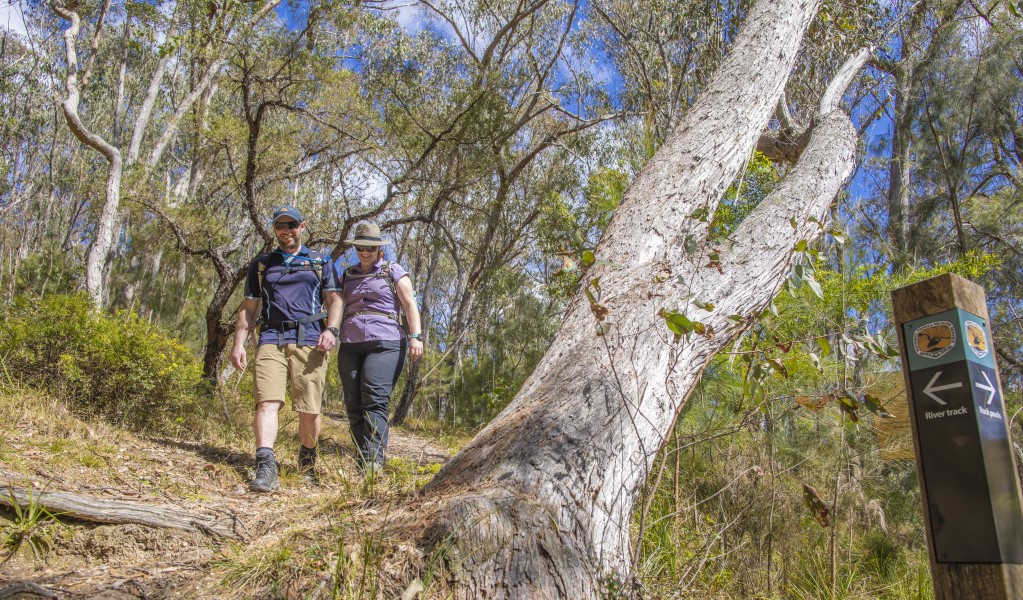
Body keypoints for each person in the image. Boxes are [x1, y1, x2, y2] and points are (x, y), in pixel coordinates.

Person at [230, 205, 342, 492]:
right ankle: (266, 466)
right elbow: (249, 307)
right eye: (280, 225)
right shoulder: (263, 263)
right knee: (267, 402)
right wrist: (238, 344)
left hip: (310, 340)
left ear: (302, 227)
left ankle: (307, 459)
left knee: (309, 410)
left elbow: (335, 301)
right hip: (270, 338)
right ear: (275, 229)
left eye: (291, 224)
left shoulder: (320, 261)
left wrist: (331, 330)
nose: (286, 230)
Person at [337, 222, 423, 474]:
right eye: (361, 247)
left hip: (385, 341)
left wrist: (415, 336)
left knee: (374, 398)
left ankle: (374, 459)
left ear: (379, 248)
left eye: (371, 247)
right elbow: (335, 306)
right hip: (350, 343)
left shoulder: (392, 271)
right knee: (353, 402)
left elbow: (409, 305)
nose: (365, 252)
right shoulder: (347, 275)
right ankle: (362, 457)